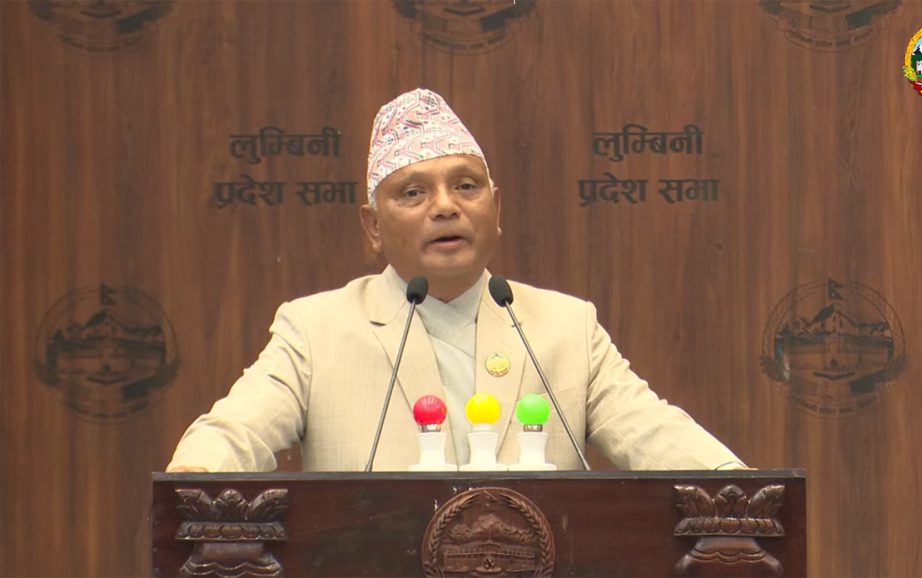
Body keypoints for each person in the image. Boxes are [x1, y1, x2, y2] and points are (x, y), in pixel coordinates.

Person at [168, 89, 745, 473]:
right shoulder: (316, 330)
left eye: (466, 186)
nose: (445, 206)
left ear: (497, 208)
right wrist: (196, 471)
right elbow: (235, 431)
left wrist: (738, 485)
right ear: (373, 227)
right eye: (414, 192)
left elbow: (652, 432)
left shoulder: (566, 327)